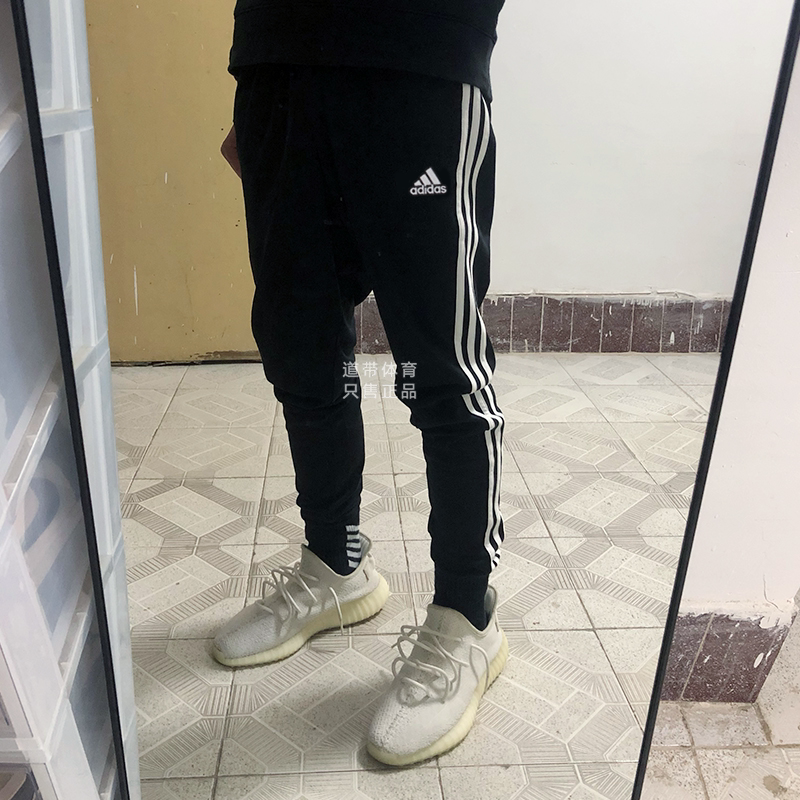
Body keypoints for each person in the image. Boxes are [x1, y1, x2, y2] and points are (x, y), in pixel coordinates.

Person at [212, 0, 508, 766]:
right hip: (278, 62)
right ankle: (336, 563)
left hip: (418, 54)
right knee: (300, 346)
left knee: (441, 366)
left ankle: (468, 615)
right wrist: (265, 81)